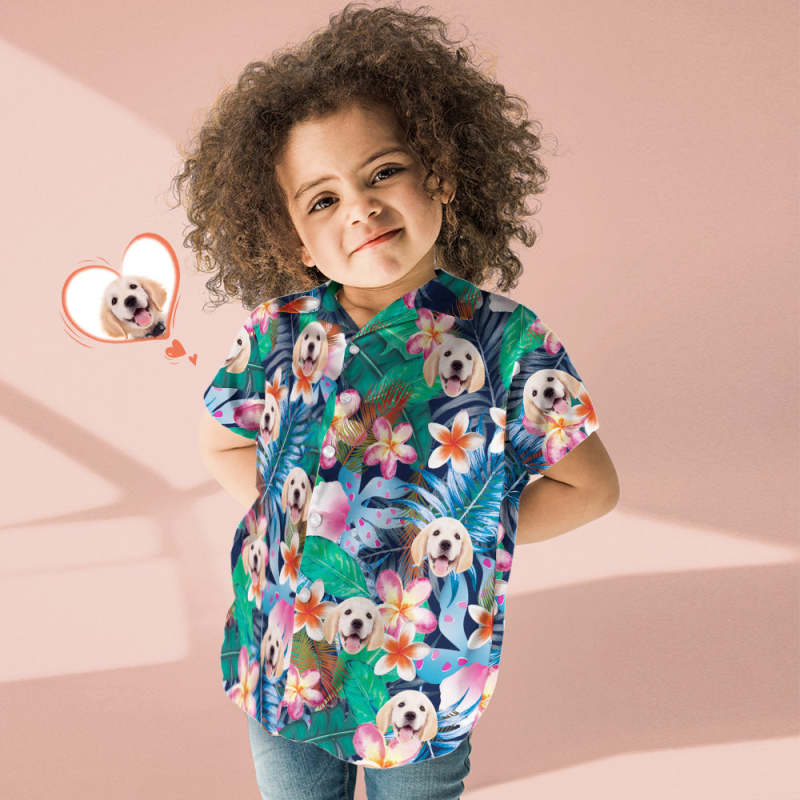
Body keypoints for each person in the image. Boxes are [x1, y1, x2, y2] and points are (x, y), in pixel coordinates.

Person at [175, 4, 620, 799]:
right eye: (321, 200)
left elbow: (591, 488)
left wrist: (476, 535)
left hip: (424, 672)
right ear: (294, 240)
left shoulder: (507, 342)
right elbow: (223, 442)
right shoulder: (277, 333)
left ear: (440, 172)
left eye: (382, 172)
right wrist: (293, 524)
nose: (359, 208)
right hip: (287, 654)